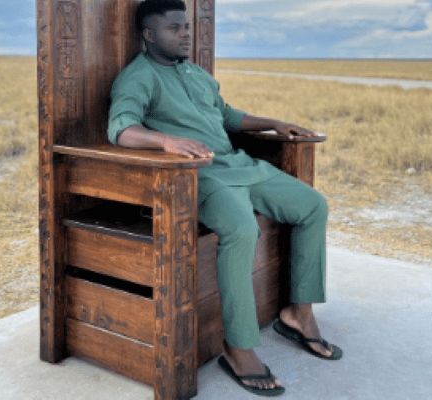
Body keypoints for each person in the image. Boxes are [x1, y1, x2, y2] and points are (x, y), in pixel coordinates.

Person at [107, 0, 342, 396]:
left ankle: (298, 314)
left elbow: (228, 116)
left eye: (185, 26)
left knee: (313, 206)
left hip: (240, 164)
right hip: (201, 176)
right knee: (242, 229)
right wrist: (166, 141)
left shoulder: (196, 73)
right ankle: (238, 347)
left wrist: (274, 123)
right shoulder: (137, 77)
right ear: (149, 35)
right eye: (174, 28)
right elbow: (121, 129)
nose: (185, 34)